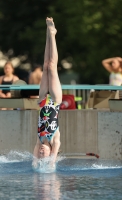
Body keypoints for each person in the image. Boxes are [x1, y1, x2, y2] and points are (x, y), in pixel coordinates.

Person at [32, 17, 62, 168]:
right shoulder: (53, 139)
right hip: (55, 101)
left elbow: (35, 156)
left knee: (45, 66)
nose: (42, 152)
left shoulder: (39, 139)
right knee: (52, 67)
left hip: (43, 100)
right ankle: (53, 34)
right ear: (50, 152)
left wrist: (35, 161)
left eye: (40, 153)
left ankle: (48, 31)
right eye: (45, 153)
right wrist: (51, 163)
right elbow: (55, 154)